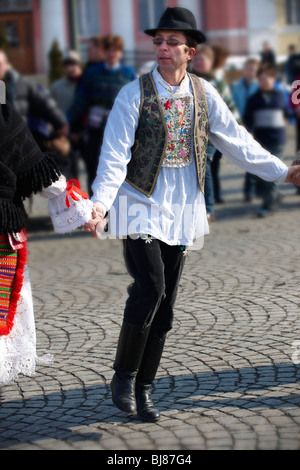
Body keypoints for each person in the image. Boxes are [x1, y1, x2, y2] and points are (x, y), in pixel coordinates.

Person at [84, 7, 300, 422]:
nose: (162, 49)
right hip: (139, 203)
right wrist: (99, 205)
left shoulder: (204, 93)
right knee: (150, 287)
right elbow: (113, 156)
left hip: (183, 206)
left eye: (171, 43)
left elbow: (237, 140)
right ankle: (123, 376)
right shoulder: (133, 94)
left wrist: (281, 172)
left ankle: (146, 388)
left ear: (190, 52)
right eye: (158, 41)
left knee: (165, 306)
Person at [67, 34, 137, 196]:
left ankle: (119, 209)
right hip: (95, 129)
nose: (112, 53)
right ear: (103, 51)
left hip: (120, 129)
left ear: (120, 52)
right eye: (108, 50)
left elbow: (136, 101)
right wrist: (66, 122)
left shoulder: (129, 73)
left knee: (118, 166)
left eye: (115, 50)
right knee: (95, 168)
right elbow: (81, 100)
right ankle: (96, 211)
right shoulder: (92, 73)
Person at [243, 63, 289, 217]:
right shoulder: (253, 99)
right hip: (260, 141)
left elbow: (288, 112)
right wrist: (247, 132)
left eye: (267, 79)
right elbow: (247, 119)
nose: (265, 82)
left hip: (277, 140)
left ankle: (267, 205)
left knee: (274, 173)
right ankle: (274, 196)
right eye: (261, 79)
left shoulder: (280, 96)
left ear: (273, 79)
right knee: (260, 174)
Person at [0, 50, 67, 136]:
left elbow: (44, 103)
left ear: (6, 65)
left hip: (18, 139)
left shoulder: (21, 85)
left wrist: (61, 123)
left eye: (0, 65)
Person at [231, 58, 259, 202]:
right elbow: (233, 104)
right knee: (249, 159)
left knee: (259, 157)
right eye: (248, 69)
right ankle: (249, 190)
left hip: (259, 125)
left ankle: (258, 189)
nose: (250, 72)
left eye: (253, 69)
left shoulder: (260, 86)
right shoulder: (237, 87)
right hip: (243, 124)